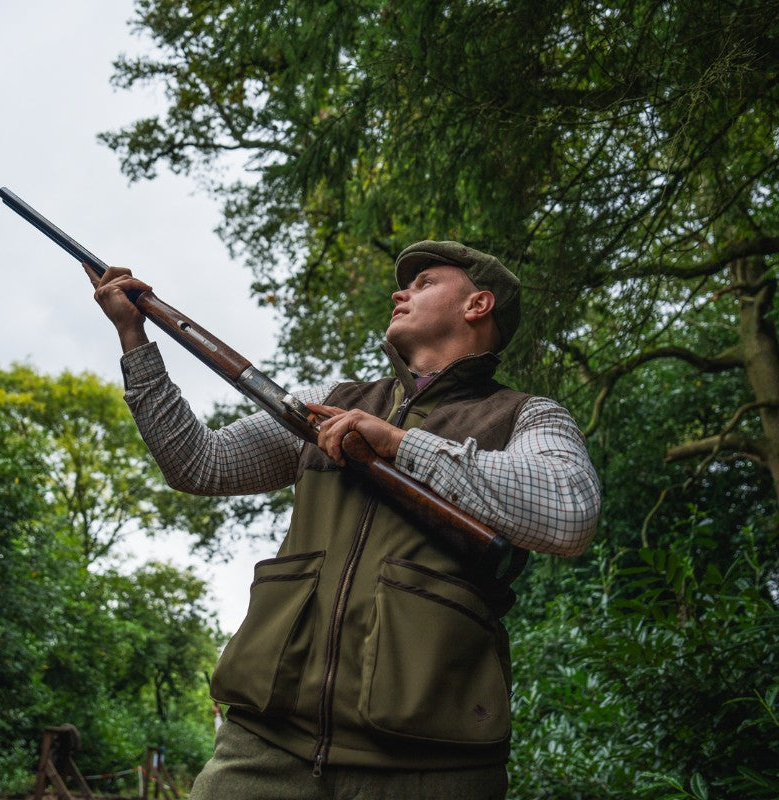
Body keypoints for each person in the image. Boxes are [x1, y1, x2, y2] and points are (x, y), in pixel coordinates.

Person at [86, 240, 600, 800]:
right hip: (265, 746)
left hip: (433, 767)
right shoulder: (331, 400)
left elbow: (567, 515)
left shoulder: (528, 416)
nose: (401, 292)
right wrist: (135, 339)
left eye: (425, 283)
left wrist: (402, 445)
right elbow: (199, 464)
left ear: (477, 306)